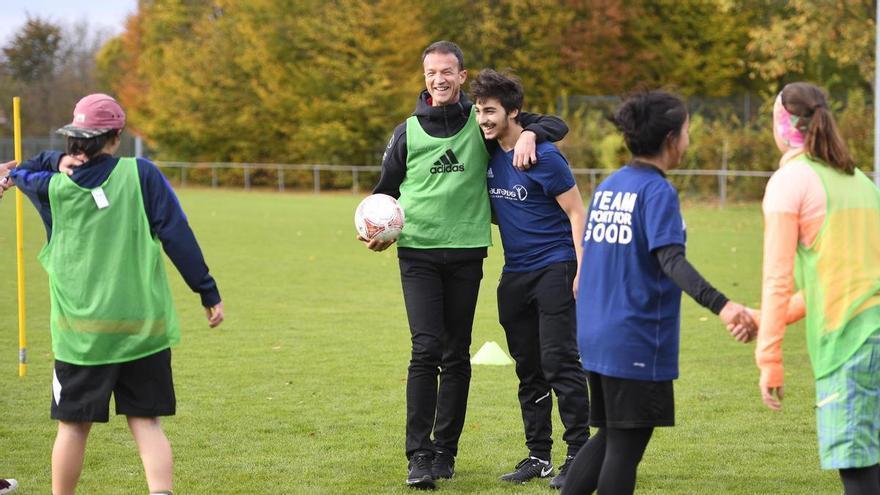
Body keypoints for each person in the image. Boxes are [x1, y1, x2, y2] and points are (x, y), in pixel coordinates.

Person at [361, 40, 569, 490]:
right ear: (425, 79)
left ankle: (445, 453)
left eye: (447, 72)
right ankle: (418, 456)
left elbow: (555, 123)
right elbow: (384, 194)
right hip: (417, 253)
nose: (438, 79)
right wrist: (375, 233)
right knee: (425, 349)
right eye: (431, 72)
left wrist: (533, 133)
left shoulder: (480, 122)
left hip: (467, 253)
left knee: (456, 353)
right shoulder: (407, 131)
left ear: (460, 76)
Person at [0, 93, 224, 495]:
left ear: (74, 137)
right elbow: (178, 235)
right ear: (116, 136)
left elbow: (23, 171)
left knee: (73, 426)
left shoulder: (51, 188)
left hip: (81, 337)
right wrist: (206, 291)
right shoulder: (142, 174)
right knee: (147, 422)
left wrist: (52, 163)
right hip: (143, 329)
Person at [562, 90, 756, 495]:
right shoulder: (658, 192)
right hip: (633, 338)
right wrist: (723, 306)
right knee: (626, 445)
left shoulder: (610, 186)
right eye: (686, 132)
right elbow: (671, 261)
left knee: (612, 435)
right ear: (671, 139)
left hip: (597, 332)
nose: (687, 140)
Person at [755, 82, 880, 495]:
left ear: (782, 124)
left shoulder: (790, 182)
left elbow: (777, 280)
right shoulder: (861, 180)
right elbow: (839, 280)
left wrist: (769, 357)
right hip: (871, 334)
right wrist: (766, 320)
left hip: (850, 346)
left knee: (858, 472)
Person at [470, 69, 589, 489]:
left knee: (560, 362)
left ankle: (580, 455)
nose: (483, 118)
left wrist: (582, 270)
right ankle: (539, 456)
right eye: (479, 110)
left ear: (513, 112)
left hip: (555, 268)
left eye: (491, 111)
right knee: (529, 369)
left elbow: (577, 212)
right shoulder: (485, 151)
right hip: (514, 275)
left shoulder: (543, 155)